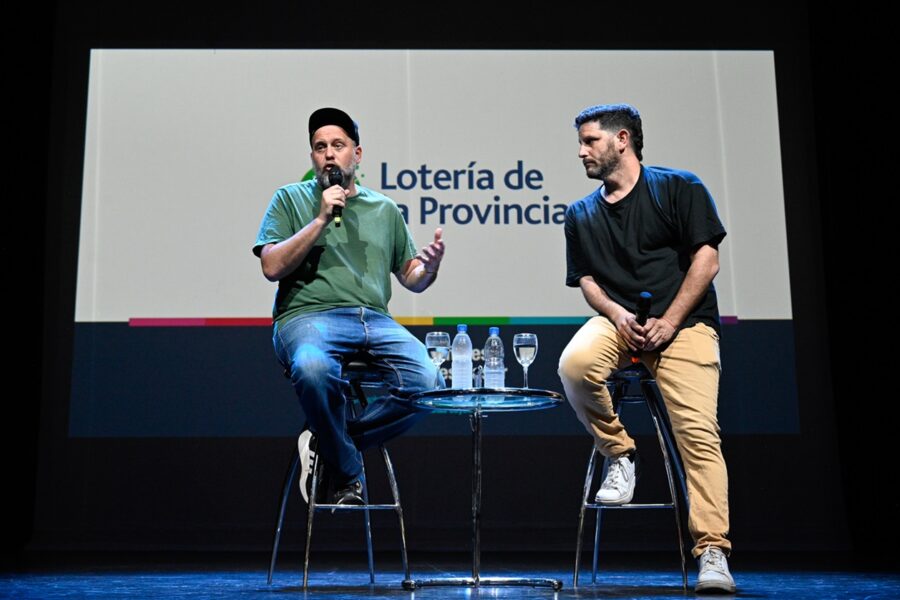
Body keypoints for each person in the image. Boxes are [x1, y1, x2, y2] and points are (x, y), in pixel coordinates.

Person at [557, 103, 735, 593]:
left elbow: (707, 260)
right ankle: (620, 454)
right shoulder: (580, 213)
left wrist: (670, 320)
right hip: (621, 323)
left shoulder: (679, 187)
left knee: (698, 433)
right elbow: (588, 281)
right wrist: (617, 315)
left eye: (590, 141)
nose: (581, 151)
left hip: (685, 324)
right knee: (574, 365)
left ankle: (713, 551)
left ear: (622, 140)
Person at [253, 107, 445, 506]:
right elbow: (271, 266)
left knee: (428, 383)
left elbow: (411, 277)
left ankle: (331, 445)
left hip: (374, 321)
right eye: (320, 147)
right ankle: (347, 468)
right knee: (311, 368)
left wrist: (429, 268)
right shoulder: (289, 200)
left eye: (337, 145)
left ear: (356, 155)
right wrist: (321, 219)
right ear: (312, 158)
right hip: (308, 318)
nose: (328, 154)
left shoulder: (384, 209)